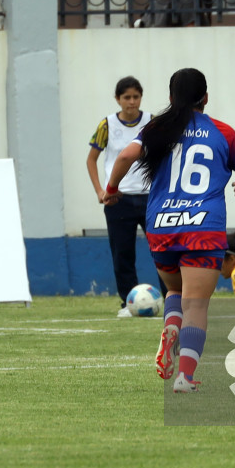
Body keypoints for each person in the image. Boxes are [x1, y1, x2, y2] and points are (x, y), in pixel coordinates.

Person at [101, 68, 235, 393]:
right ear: (205, 97)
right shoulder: (222, 132)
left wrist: (112, 187)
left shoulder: (157, 127)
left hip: (161, 227)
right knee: (197, 305)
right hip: (203, 228)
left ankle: (171, 327)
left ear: (171, 98)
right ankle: (185, 376)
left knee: (176, 292)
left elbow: (128, 154)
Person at [86, 76, 166, 317]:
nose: (131, 102)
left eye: (135, 97)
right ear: (117, 99)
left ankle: (171, 301)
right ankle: (128, 304)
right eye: (126, 97)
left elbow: (165, 154)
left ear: (141, 97)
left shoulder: (152, 122)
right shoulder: (107, 125)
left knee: (163, 251)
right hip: (118, 199)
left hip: (151, 197)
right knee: (122, 254)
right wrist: (101, 190)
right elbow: (91, 159)